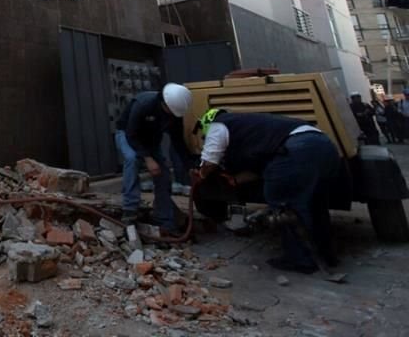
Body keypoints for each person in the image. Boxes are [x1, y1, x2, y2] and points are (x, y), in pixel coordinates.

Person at [194, 108, 341, 274]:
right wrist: (234, 180)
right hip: (324, 146)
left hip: (296, 150)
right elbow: (259, 170)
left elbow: (210, 161)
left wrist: (201, 174)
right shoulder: (254, 128)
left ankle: (300, 259)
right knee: (315, 204)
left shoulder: (218, 125)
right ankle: (327, 254)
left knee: (286, 206)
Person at [114, 83, 193, 233]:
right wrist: (148, 159)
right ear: (165, 104)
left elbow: (178, 142)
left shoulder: (175, 115)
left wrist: (189, 166)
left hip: (151, 140)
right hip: (128, 134)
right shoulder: (144, 104)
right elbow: (132, 134)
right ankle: (130, 210)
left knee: (163, 174)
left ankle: (164, 220)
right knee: (132, 159)